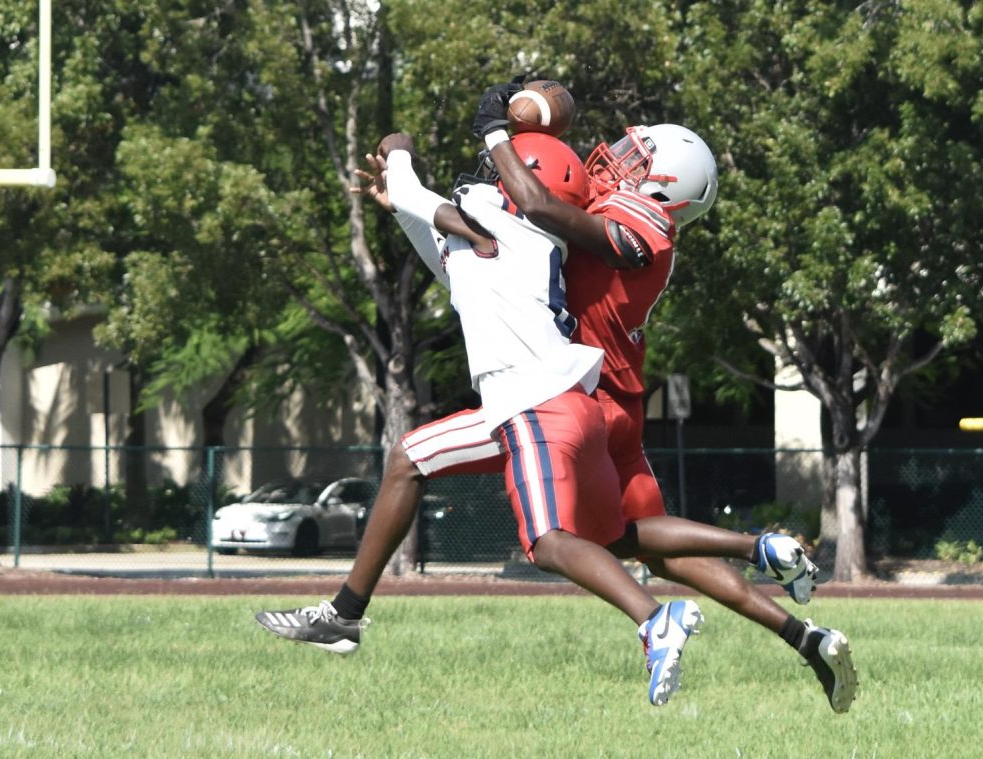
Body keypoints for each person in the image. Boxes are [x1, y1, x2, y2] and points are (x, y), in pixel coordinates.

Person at [258, 83, 857, 713]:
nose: (616, 157)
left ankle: (664, 615)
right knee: (625, 539)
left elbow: (534, 203)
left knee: (562, 542)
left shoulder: (641, 224)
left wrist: (488, 130)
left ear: (666, 187)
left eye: (638, 157)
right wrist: (419, 202)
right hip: (570, 394)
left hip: (573, 395)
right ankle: (788, 606)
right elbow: (466, 256)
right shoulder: (540, 225)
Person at [262, 130, 703, 706]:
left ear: (525, 182)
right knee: (410, 459)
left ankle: (653, 619)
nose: (492, 177)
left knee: (548, 544)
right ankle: (344, 616)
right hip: (536, 405)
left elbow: (424, 197)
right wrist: (402, 209)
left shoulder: (501, 221)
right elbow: (447, 262)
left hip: (535, 404)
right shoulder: (511, 240)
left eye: (507, 171)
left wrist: (399, 150)